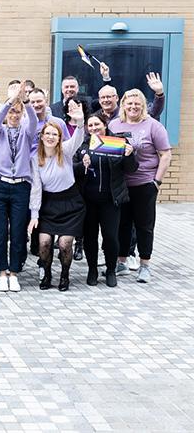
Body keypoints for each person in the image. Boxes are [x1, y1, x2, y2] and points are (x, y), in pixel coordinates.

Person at [109, 89, 172, 283]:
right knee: (122, 225)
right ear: (123, 105)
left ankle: (145, 265)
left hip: (145, 183)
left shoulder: (153, 126)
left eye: (137, 103)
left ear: (143, 105)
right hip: (121, 185)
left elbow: (166, 154)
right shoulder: (114, 124)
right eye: (129, 103)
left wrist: (157, 181)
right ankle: (121, 263)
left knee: (145, 226)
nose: (133, 107)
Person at [73, 113, 137, 287]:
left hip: (111, 199)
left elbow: (131, 169)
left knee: (110, 237)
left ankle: (110, 270)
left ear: (105, 124)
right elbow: (72, 169)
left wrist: (129, 154)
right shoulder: (82, 145)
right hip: (88, 200)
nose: (94, 128)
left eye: (97, 125)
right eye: (90, 125)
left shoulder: (117, 142)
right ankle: (92, 269)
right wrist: (81, 165)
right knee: (90, 237)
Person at [27, 103, 86, 291]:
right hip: (48, 205)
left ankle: (65, 275)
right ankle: (47, 274)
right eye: (48, 134)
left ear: (59, 137)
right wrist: (34, 215)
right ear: (41, 137)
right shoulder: (35, 158)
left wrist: (80, 121)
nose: (51, 137)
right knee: (44, 243)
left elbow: (78, 137)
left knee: (64, 244)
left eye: (55, 134)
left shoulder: (66, 151)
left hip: (70, 204)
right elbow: (36, 188)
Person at [0, 82, 37, 293]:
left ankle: (14, 272)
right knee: (0, 231)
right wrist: (9, 102)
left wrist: (24, 101)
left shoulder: (27, 131)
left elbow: (34, 119)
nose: (14, 115)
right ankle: (1, 272)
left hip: (20, 186)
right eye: (11, 111)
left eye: (17, 112)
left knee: (18, 231)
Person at [96, 64, 165, 121]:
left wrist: (159, 93)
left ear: (117, 98)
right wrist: (106, 78)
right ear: (99, 100)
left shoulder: (127, 113)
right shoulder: (96, 117)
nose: (106, 100)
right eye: (103, 97)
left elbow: (154, 112)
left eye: (108, 97)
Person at [28, 89, 69, 154]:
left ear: (46, 101)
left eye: (39, 101)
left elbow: (67, 146)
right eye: (32, 102)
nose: (36, 105)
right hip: (30, 162)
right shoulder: (24, 124)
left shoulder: (59, 123)